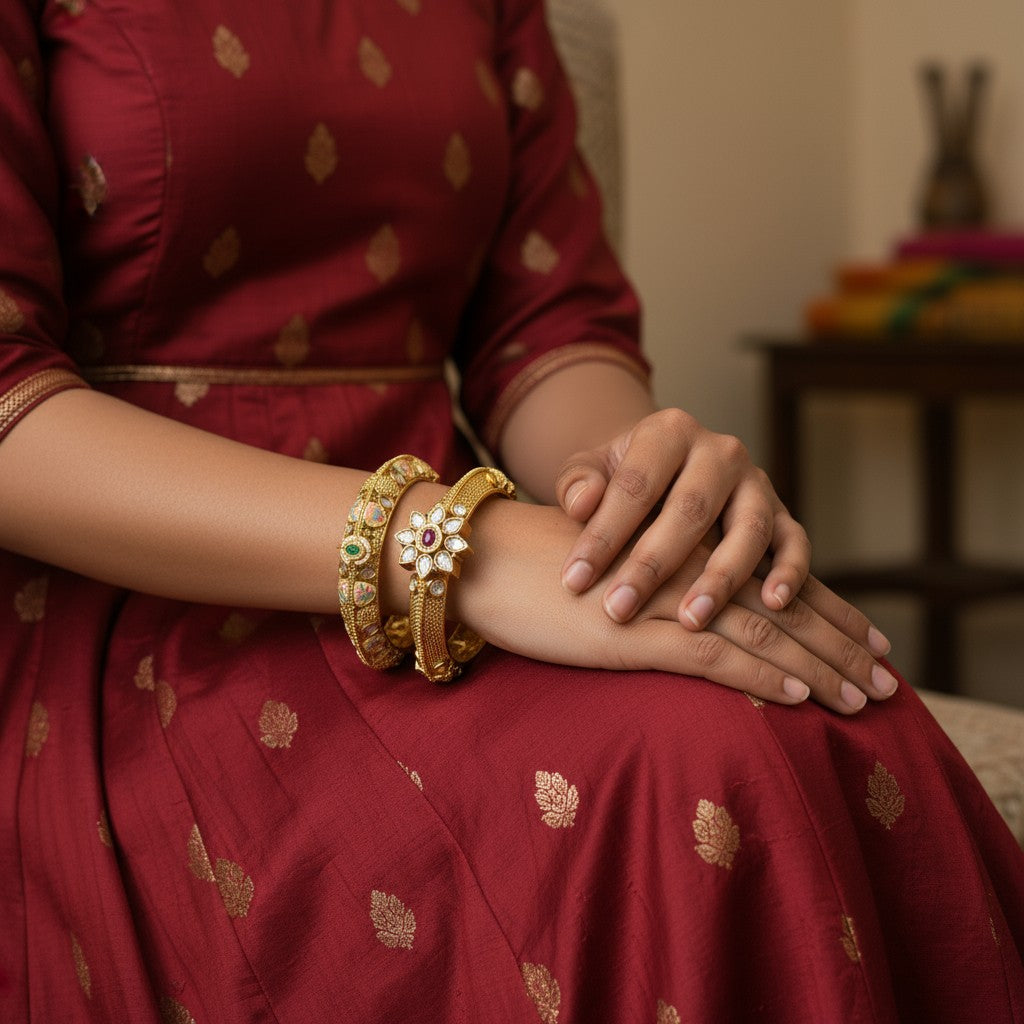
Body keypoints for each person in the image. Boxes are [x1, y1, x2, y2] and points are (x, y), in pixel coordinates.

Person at [0, 0, 1020, 1020]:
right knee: (696, 769)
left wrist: (635, 500)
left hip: (472, 566)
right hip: (139, 605)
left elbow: (542, 322)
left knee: (832, 697)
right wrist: (466, 550)